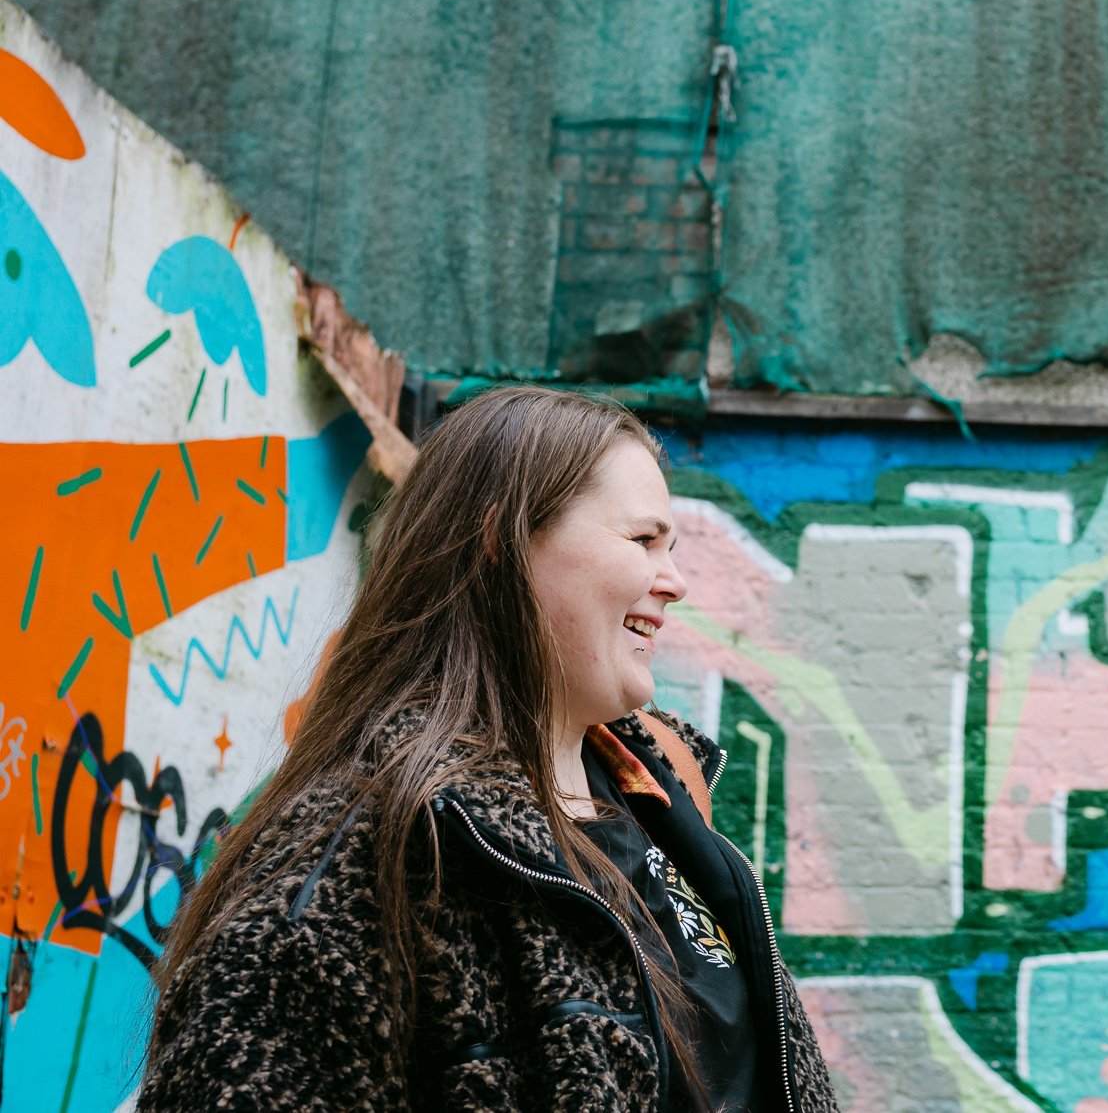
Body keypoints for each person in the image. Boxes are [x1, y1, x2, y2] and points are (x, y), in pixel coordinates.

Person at [141, 385, 839, 1112]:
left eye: (673, 549)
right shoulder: (363, 863)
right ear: (499, 542)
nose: (677, 583)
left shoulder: (666, 795)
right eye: (643, 541)